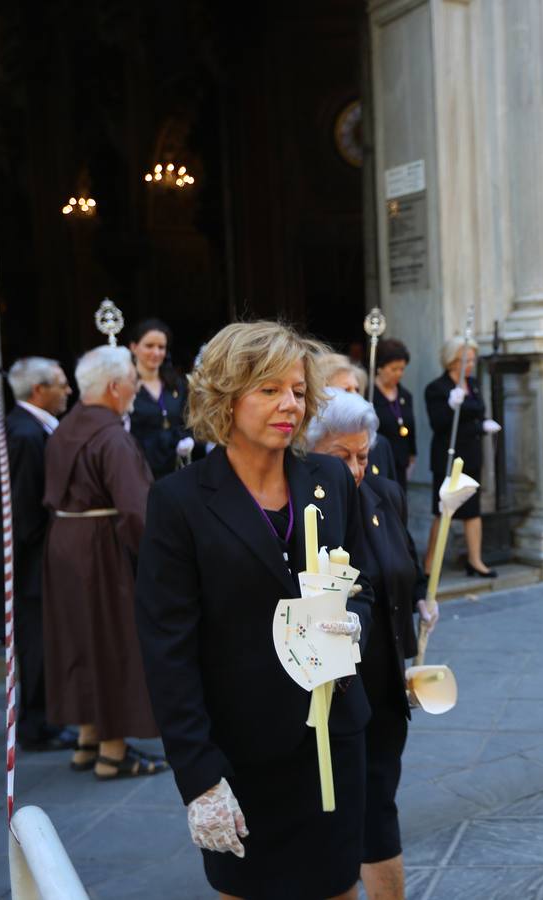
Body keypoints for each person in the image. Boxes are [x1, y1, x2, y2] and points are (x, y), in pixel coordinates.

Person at [135, 322, 372, 900]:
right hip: (241, 755)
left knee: (340, 887)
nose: (289, 404)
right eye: (268, 390)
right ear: (225, 396)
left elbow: (355, 584)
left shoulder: (330, 479)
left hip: (332, 738)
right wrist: (198, 777)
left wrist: (355, 628)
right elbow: (168, 650)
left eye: (296, 390)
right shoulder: (180, 502)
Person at [307, 388, 440, 900]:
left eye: (363, 455)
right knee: (337, 815)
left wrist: (419, 607)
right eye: (342, 456)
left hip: (385, 678)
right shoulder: (303, 506)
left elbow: (402, 566)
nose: (356, 468)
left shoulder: (383, 494)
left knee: (380, 802)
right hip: (332, 689)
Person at [41, 345, 166, 779]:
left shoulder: (65, 427)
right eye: (131, 378)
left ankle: (88, 737)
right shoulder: (112, 436)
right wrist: (158, 558)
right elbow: (136, 509)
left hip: (65, 543)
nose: (135, 385)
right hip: (100, 549)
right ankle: (114, 752)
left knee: (80, 640)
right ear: (115, 387)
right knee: (114, 642)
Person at [5, 357, 76, 752]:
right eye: (61, 384)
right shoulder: (27, 434)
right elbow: (25, 506)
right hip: (34, 559)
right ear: (38, 390)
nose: (67, 391)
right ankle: (35, 724)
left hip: (41, 555)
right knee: (35, 639)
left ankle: (45, 717)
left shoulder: (35, 428)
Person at [423, 336, 501, 578]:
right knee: (443, 510)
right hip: (449, 457)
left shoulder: (473, 384)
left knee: (473, 511)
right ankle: (428, 566)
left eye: (472, 360)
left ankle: (475, 560)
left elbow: (479, 411)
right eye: (466, 360)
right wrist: (451, 406)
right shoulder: (437, 388)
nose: (470, 364)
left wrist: (482, 424)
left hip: (471, 454)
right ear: (452, 361)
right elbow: (439, 424)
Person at [320, 352, 401, 484]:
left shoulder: (380, 445)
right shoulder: (310, 445)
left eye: (356, 390)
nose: (355, 397)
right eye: (346, 391)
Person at [128, 318, 194, 477]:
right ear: (134, 347)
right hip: (139, 469)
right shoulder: (126, 385)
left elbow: (187, 420)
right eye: (149, 346)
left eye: (161, 347)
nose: (156, 353)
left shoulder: (176, 384)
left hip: (175, 469)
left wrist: (188, 439)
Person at [372, 339, 418, 491]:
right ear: (380, 367)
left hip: (400, 461)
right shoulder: (369, 395)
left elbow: (411, 427)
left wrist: (412, 454)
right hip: (378, 460)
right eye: (394, 369)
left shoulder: (405, 395)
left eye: (402, 369)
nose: (399, 374)